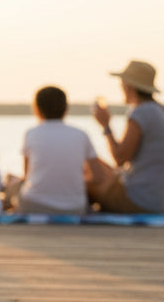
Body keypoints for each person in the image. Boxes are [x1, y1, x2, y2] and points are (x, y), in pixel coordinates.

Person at [88, 60, 164, 214]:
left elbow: (120, 158)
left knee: (86, 181)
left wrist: (105, 126)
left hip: (140, 202)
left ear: (128, 85)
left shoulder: (141, 112)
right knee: (97, 165)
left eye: (122, 82)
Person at [7, 86, 107, 216]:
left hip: (34, 205)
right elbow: (99, 176)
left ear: (36, 109)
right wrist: (75, 181)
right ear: (66, 109)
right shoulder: (81, 134)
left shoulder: (31, 133)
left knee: (12, 184)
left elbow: (27, 177)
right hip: (74, 207)